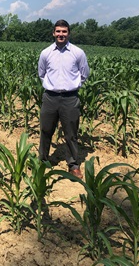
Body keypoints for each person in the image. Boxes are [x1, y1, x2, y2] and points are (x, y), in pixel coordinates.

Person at [38, 19, 90, 178]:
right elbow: (41, 74)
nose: (61, 34)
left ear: (68, 33)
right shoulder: (46, 53)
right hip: (50, 97)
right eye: (58, 31)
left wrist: (71, 86)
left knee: (71, 133)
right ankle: (42, 161)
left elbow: (84, 74)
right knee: (46, 130)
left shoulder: (78, 52)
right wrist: (52, 86)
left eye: (64, 31)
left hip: (70, 98)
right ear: (53, 33)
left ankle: (73, 165)